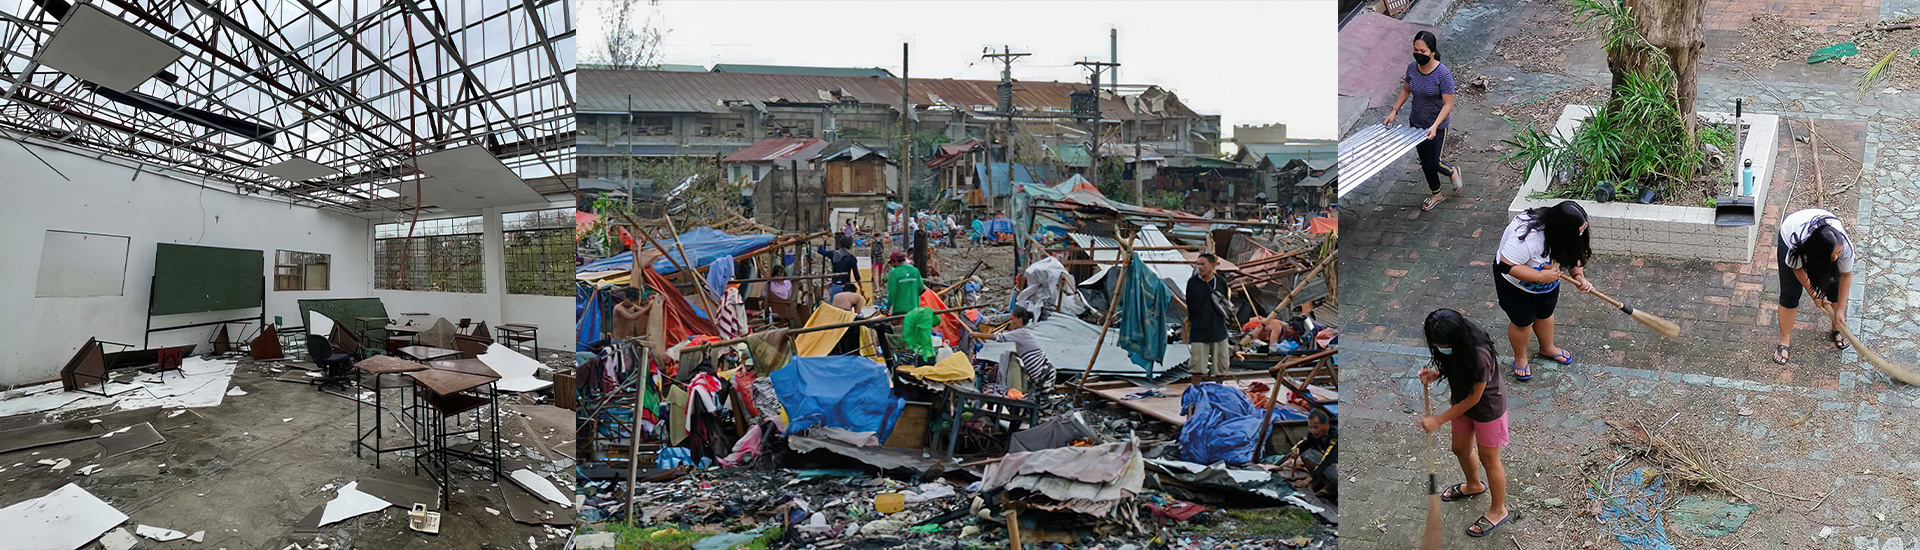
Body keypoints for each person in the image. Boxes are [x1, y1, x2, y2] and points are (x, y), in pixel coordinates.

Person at [1419, 308, 1511, 538]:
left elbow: (1475, 397)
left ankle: (1498, 510)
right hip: (1461, 402)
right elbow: (1454, 364)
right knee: (1459, 448)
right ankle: (1474, 485)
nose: (1441, 349)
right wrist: (1436, 373)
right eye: (1437, 345)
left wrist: (1440, 419)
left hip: (1488, 409)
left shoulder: (1479, 354)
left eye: (1444, 345)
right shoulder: (1454, 345)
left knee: (1490, 460)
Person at [1494, 200, 1591, 380]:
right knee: (1522, 323)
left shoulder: (1567, 235)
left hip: (1547, 285)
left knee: (1546, 314)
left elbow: (1574, 253)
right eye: (1577, 231)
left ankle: (1547, 347)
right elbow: (1506, 266)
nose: (1581, 234)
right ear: (1561, 230)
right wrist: (1540, 277)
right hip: (1515, 286)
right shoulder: (1526, 237)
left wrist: (1579, 276)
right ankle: (1521, 357)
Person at [1385, 30, 1461, 211]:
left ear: (1432, 52)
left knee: (1434, 162)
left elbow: (1448, 104)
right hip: (1416, 123)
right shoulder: (1412, 68)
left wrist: (1435, 126)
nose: (1418, 55)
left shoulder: (1443, 74)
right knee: (1424, 161)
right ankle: (1436, 194)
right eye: (1416, 50)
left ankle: (1451, 171)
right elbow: (1406, 89)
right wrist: (1394, 111)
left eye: (1423, 52)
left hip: (1437, 125)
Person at [1773, 208, 1855, 364]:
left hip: (1819, 236)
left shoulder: (1844, 246)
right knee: (1790, 295)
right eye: (1834, 255)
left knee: (1834, 288)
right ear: (1819, 256)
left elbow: (1846, 275)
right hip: (1791, 229)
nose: (1838, 257)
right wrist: (1815, 295)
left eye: (1839, 252)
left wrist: (1840, 310)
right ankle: (1784, 340)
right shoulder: (1797, 244)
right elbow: (1797, 268)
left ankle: (1837, 328)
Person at [969, 308, 1056, 389]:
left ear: (1019, 319)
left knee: (1044, 402)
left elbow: (999, 337)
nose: (1010, 322)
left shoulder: (1021, 332)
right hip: (1041, 374)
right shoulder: (1021, 332)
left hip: (1044, 373)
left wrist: (977, 334)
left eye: (1013, 319)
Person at [1183, 253, 1233, 382]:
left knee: (1220, 366)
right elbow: (1190, 305)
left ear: (1212, 265)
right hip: (1199, 328)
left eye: (1203, 264)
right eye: (1198, 264)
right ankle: (1196, 393)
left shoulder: (1220, 282)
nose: (1200, 267)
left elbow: (1225, 304)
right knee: (1197, 366)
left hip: (1218, 328)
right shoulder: (1192, 282)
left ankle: (1218, 391)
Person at [1291, 408, 1338, 498]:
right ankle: (1328, 485)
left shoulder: (1335, 437)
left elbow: (1328, 460)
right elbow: (1304, 444)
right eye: (1310, 427)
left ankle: (1333, 487)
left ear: (1326, 425)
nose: (1313, 430)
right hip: (1329, 466)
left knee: (1331, 469)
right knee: (1307, 454)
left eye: (1316, 427)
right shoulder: (1314, 434)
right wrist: (1296, 450)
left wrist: (1309, 479)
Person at [885, 250, 923, 315]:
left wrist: (889, 306)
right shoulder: (915, 270)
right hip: (914, 308)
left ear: (895, 261)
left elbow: (892, 292)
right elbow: (921, 287)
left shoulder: (894, 273)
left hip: (899, 309)